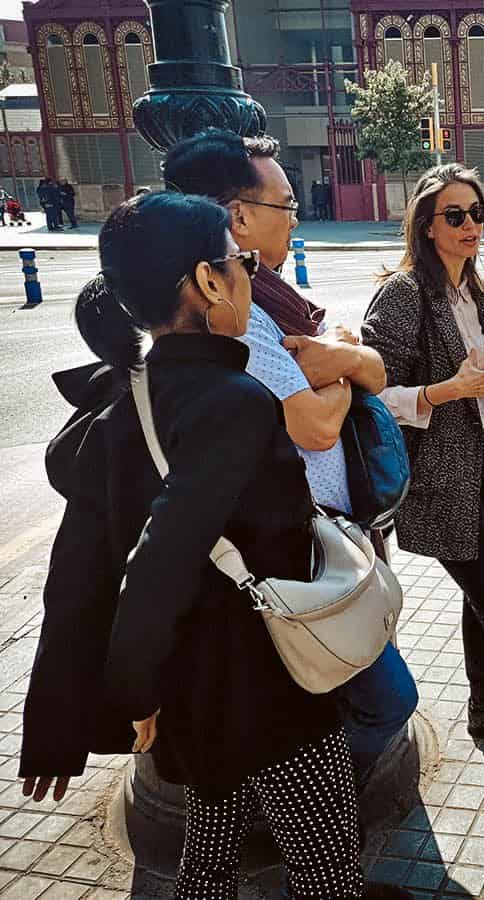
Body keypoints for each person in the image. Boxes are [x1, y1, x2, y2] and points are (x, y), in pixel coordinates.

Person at [20, 192, 407, 898]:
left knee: (210, 845)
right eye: (242, 263)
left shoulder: (129, 399)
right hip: (267, 688)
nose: (248, 276)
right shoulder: (233, 401)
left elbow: (78, 567)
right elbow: (157, 561)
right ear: (206, 281)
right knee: (327, 870)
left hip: (187, 691)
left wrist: (73, 712)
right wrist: (128, 687)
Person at [162, 127, 418, 787]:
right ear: (239, 217)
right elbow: (315, 426)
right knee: (384, 697)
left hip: (331, 532)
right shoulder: (239, 314)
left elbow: (373, 365)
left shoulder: (274, 296)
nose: (297, 215)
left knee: (343, 681)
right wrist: (342, 367)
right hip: (293, 552)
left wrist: (339, 357)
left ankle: (323, 794)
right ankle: (332, 800)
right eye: (286, 204)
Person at [362, 164, 484, 756]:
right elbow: (369, 397)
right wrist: (449, 391)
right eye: (456, 215)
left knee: (480, 595)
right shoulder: (404, 294)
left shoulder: (477, 286)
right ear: (426, 225)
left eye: (477, 213)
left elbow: (482, 368)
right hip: (439, 474)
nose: (470, 226)